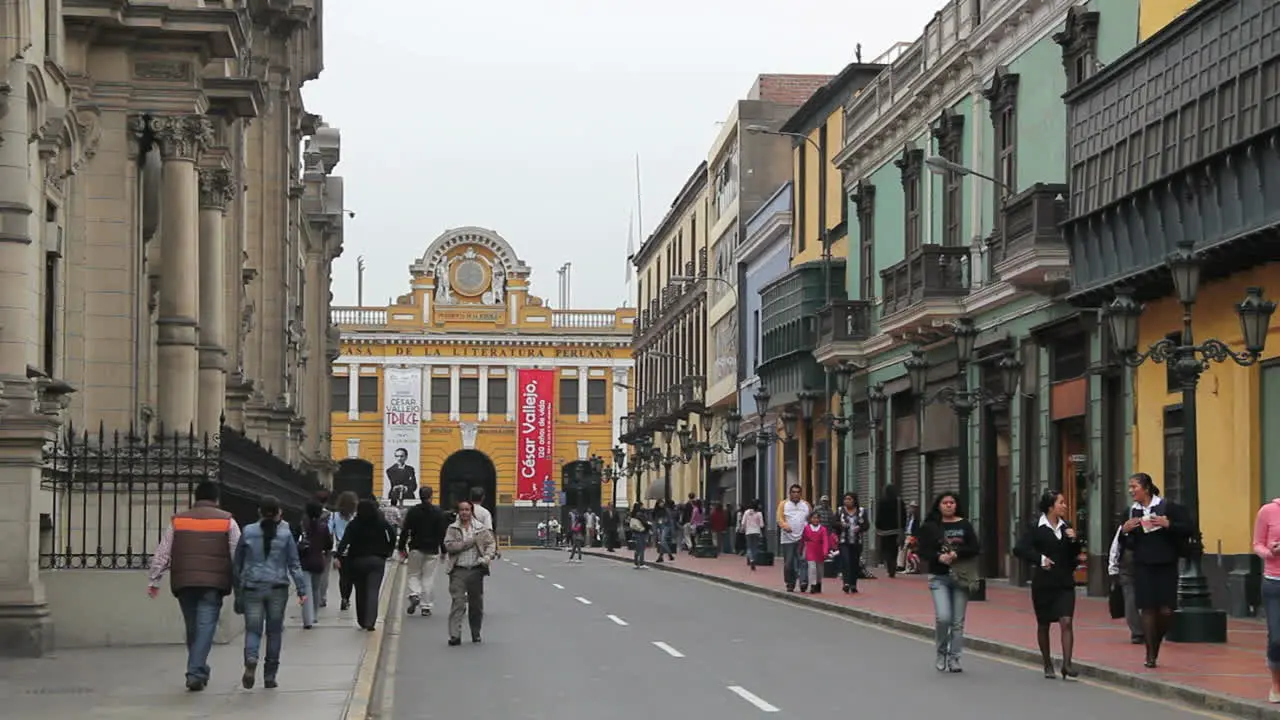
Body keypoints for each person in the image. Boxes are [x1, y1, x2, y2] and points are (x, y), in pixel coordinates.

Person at [147, 479, 240, 692]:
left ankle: (199, 668)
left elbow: (163, 552)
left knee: (192, 628)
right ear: (216, 499)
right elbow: (237, 553)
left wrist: (155, 579)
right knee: (206, 627)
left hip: (185, 583)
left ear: (195, 498)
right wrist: (240, 580)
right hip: (213, 584)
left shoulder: (178, 521)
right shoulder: (228, 521)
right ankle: (196, 671)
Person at [233, 496, 308, 689]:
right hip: (277, 587)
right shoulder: (285, 534)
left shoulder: (248, 531)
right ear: (278, 514)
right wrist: (301, 589)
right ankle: (269, 676)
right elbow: (294, 563)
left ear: (259, 512)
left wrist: (238, 588)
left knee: (253, 629)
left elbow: (238, 563)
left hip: (252, 586)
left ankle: (251, 658)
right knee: (274, 632)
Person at [1122, 472, 1191, 668]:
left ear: (1146, 488)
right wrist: (1125, 531)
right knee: (1148, 609)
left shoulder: (1168, 507)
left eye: (1134, 487)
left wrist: (1168, 524)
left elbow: (1188, 528)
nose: (1131, 491)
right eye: (1130, 487)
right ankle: (1150, 654)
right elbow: (1127, 543)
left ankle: (1156, 641)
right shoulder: (1131, 511)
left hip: (1167, 564)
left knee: (1167, 611)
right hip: (1143, 565)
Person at [1014, 490, 1083, 679]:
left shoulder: (1066, 526)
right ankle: (1047, 663)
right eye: (1061, 502)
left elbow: (1073, 553)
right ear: (1051, 506)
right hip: (1044, 583)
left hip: (1065, 582)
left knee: (1067, 621)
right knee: (1044, 624)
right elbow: (1019, 549)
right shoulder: (1036, 527)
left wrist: (1074, 539)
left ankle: (1067, 664)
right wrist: (1040, 559)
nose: (1065, 506)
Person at [914, 492, 980, 673]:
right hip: (939, 577)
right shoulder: (931, 526)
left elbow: (975, 547)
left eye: (952, 502)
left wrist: (957, 554)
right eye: (945, 502)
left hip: (961, 577)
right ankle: (941, 653)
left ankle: (955, 658)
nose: (949, 505)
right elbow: (923, 551)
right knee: (943, 618)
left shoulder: (964, 524)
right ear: (939, 505)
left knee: (958, 622)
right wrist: (939, 556)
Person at [336, 498, 398, 631]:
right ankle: (370, 622)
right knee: (373, 591)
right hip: (377, 560)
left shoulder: (354, 524)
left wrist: (338, 556)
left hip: (357, 560)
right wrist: (388, 551)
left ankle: (362, 620)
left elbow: (345, 541)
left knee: (361, 591)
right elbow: (392, 535)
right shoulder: (381, 522)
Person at [443, 499, 497, 646]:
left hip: (475, 570)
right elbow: (449, 546)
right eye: (462, 510)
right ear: (458, 512)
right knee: (458, 602)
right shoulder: (452, 528)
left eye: (467, 510)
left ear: (471, 511)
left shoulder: (480, 528)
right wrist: (467, 543)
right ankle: (455, 635)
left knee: (476, 605)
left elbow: (491, 543)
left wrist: (487, 557)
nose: (464, 513)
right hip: (458, 570)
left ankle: (475, 632)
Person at [399, 486, 447, 617]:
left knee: (414, 574)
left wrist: (401, 547)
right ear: (431, 496)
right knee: (428, 577)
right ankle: (426, 606)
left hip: (415, 547)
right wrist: (443, 550)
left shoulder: (413, 511)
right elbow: (441, 533)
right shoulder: (438, 512)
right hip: (432, 549)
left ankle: (414, 594)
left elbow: (405, 530)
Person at [1252, 497, 1280, 703]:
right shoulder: (1268, 511)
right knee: (1277, 637)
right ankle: (1276, 683)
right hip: (1274, 582)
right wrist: (1271, 551)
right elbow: (1257, 544)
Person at [1108, 517, 1144, 645]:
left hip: (1144, 559)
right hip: (1131, 559)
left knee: (1132, 596)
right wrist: (1113, 568)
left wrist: (1112, 568)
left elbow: (1116, 544)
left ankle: (1139, 632)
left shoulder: (1158, 509)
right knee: (1130, 596)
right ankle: (1138, 631)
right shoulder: (1129, 515)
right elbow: (1117, 542)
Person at [298, 500, 333, 629]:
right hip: (318, 560)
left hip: (305, 561)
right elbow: (328, 544)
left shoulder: (302, 526)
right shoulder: (323, 526)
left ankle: (307, 620)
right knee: (316, 589)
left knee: (306, 591)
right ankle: (314, 615)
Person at [777, 484, 811, 592]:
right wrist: (785, 526)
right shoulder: (784, 504)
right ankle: (790, 583)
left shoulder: (806, 505)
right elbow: (779, 518)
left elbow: (812, 518)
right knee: (789, 563)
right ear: (790, 493)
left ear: (801, 494)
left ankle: (803, 581)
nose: (796, 494)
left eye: (798, 492)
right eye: (793, 492)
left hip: (803, 539)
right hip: (788, 539)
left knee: (803, 561)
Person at [328, 491, 358, 611]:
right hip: (354, 549)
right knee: (350, 577)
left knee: (343, 576)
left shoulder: (334, 516)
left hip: (339, 549)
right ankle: (347, 598)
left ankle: (343, 598)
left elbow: (329, 531)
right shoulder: (355, 516)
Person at [836, 493, 869, 593]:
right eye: (845, 499)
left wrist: (860, 527)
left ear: (854, 500)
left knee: (854, 563)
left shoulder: (861, 511)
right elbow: (834, 523)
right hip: (843, 541)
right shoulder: (840, 510)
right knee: (846, 561)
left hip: (856, 541)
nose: (847, 501)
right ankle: (846, 583)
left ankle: (853, 584)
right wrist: (841, 525)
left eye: (849, 499)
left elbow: (867, 525)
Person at [800, 510, 837, 594]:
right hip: (810, 549)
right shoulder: (807, 528)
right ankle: (813, 585)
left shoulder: (823, 529)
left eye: (817, 518)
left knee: (819, 570)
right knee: (811, 567)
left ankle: (818, 583)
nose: (815, 520)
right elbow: (803, 539)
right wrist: (801, 549)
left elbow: (825, 541)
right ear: (810, 519)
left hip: (819, 550)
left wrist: (825, 551)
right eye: (813, 518)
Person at [874, 483, 907, 578]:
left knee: (886, 549)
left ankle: (889, 567)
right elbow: (903, 515)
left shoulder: (882, 502)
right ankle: (893, 566)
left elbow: (879, 515)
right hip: (896, 530)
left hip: (884, 531)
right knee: (894, 549)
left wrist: (878, 526)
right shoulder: (899, 502)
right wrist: (903, 527)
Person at [741, 499, 765, 571]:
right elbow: (761, 525)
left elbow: (743, 522)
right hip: (756, 532)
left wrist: (743, 528)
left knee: (749, 547)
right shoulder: (759, 514)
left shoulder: (746, 512)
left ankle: (751, 560)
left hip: (748, 532)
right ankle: (754, 559)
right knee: (755, 547)